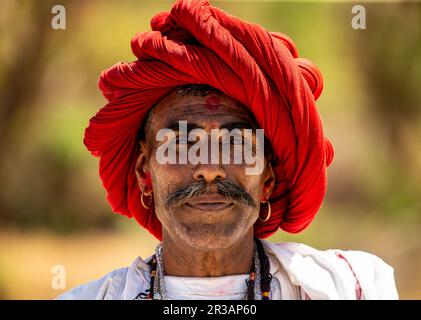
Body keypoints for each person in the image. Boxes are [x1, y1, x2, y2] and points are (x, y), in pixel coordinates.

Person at [57, 0, 398, 300]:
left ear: (267, 178)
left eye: (235, 143)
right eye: (182, 144)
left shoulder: (352, 287)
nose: (209, 169)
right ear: (144, 172)